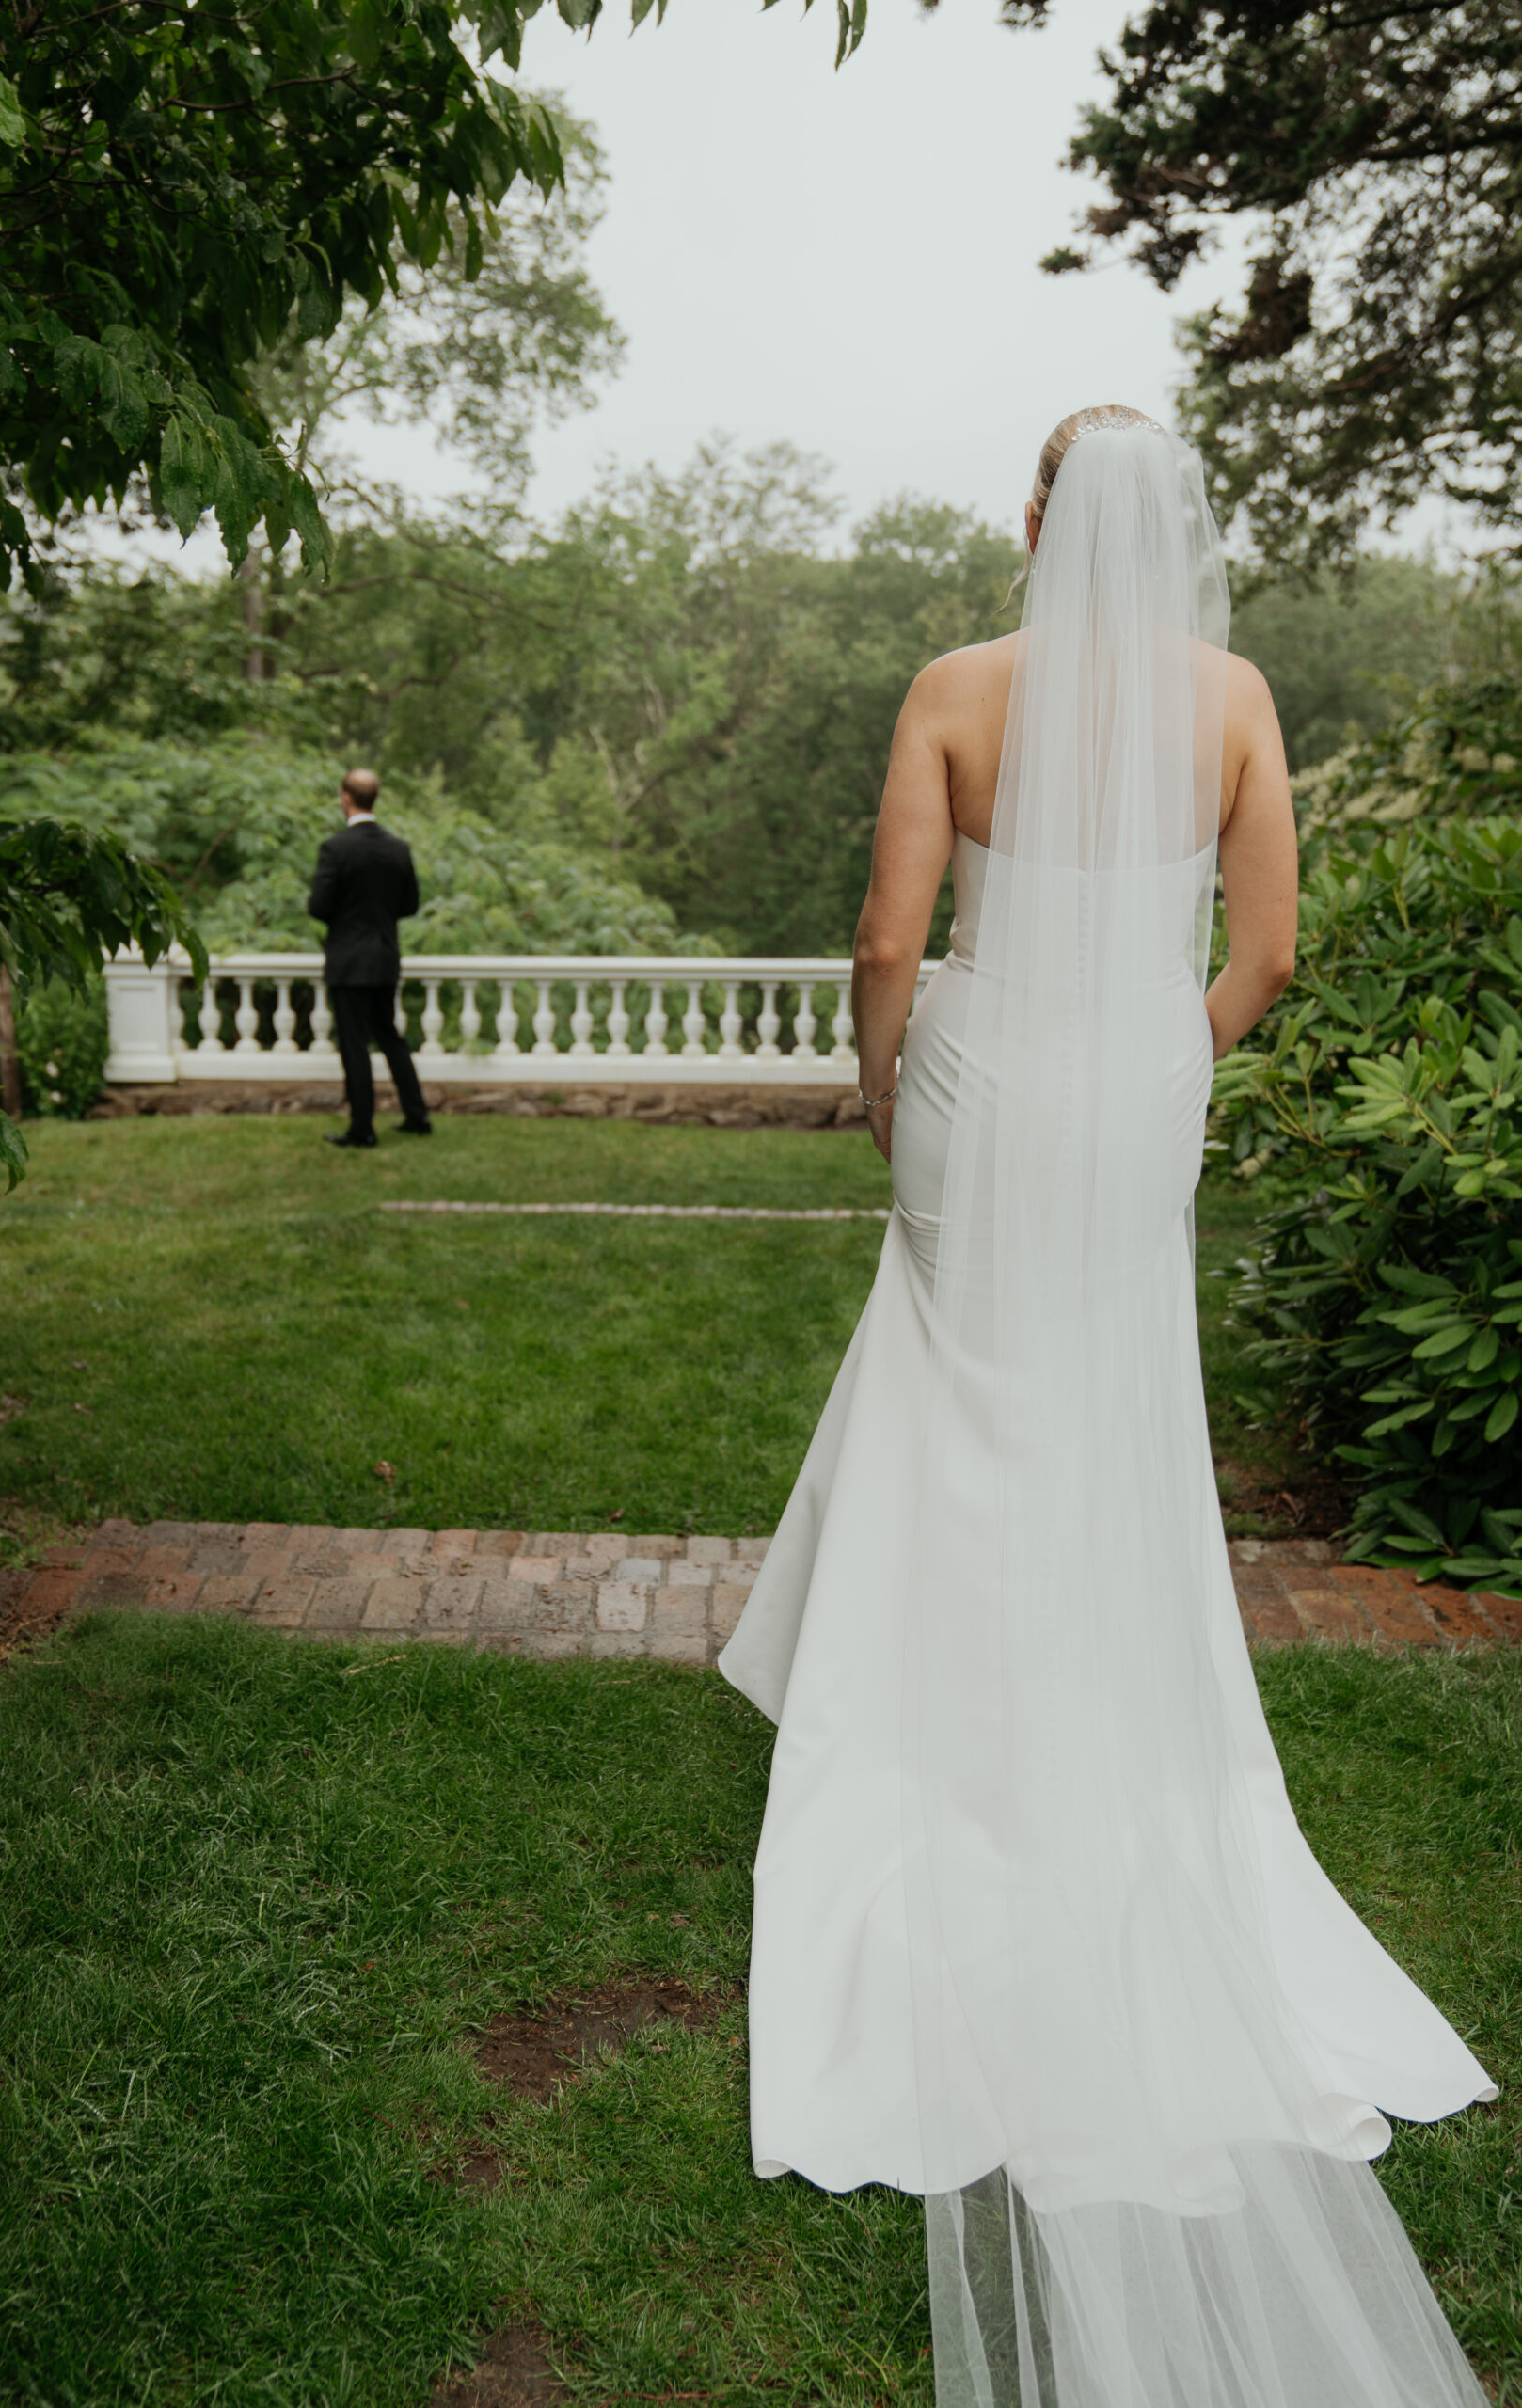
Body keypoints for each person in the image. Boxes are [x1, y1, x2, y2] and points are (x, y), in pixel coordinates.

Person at [719, 409, 1495, 2406]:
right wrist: (1152, 1048)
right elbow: (1269, 954)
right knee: (1100, 1400)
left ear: (1034, 519)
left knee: (957, 1379)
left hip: (979, 1079)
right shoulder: (1231, 694)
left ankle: (924, 1731)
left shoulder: (955, 687)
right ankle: (1086, 1727)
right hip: (1136, 1078)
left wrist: (894, 1078)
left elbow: (889, 934)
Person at [308, 768, 431, 1149]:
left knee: (354, 1043)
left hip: (348, 959)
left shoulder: (336, 849)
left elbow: (318, 906)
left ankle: (362, 1127)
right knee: (390, 1036)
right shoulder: (398, 848)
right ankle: (417, 1115)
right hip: (385, 955)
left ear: (345, 797)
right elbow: (409, 905)